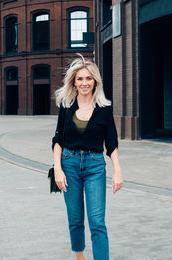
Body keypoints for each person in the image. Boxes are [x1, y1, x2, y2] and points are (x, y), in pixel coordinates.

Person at [52, 54, 123, 260]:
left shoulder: (104, 108)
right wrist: (58, 169)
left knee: (97, 221)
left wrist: (117, 170)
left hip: (95, 166)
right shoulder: (66, 106)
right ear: (74, 81)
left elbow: (111, 143)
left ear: (95, 82)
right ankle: (80, 257)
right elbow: (57, 139)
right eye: (80, 78)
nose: (84, 83)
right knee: (75, 218)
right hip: (69, 164)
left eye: (89, 78)